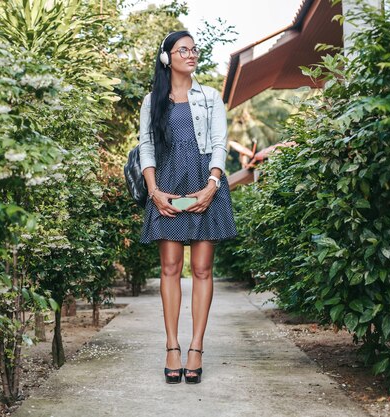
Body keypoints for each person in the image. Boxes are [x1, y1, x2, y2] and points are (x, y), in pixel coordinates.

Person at [138, 31, 238, 384]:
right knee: (169, 267)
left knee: (201, 269)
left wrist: (212, 186)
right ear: (167, 58)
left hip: (203, 182)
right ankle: (171, 347)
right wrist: (154, 191)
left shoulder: (210, 97)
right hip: (167, 185)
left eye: (195, 49)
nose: (192, 54)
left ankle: (195, 347)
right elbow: (146, 148)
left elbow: (219, 144)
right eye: (184, 50)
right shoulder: (153, 101)